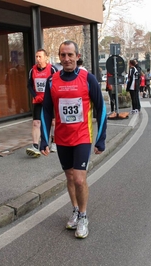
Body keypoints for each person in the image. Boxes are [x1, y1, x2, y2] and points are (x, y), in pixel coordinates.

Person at [40, 40, 107, 239]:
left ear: (77, 56)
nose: (66, 59)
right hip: (62, 138)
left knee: (79, 179)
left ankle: (84, 216)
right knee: (69, 178)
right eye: (63, 55)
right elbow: (45, 111)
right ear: (59, 57)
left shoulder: (88, 78)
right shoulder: (52, 81)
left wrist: (100, 138)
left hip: (82, 136)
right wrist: (44, 140)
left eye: (70, 55)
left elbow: (101, 109)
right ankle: (75, 210)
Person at [26, 49, 58, 158]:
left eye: (40, 56)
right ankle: (35, 146)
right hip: (38, 100)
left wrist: (50, 96)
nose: (38, 59)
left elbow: (57, 83)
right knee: (36, 123)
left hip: (50, 100)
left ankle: (54, 142)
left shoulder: (52, 69)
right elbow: (29, 85)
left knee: (53, 122)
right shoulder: (32, 70)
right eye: (36, 57)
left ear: (46, 58)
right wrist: (35, 96)